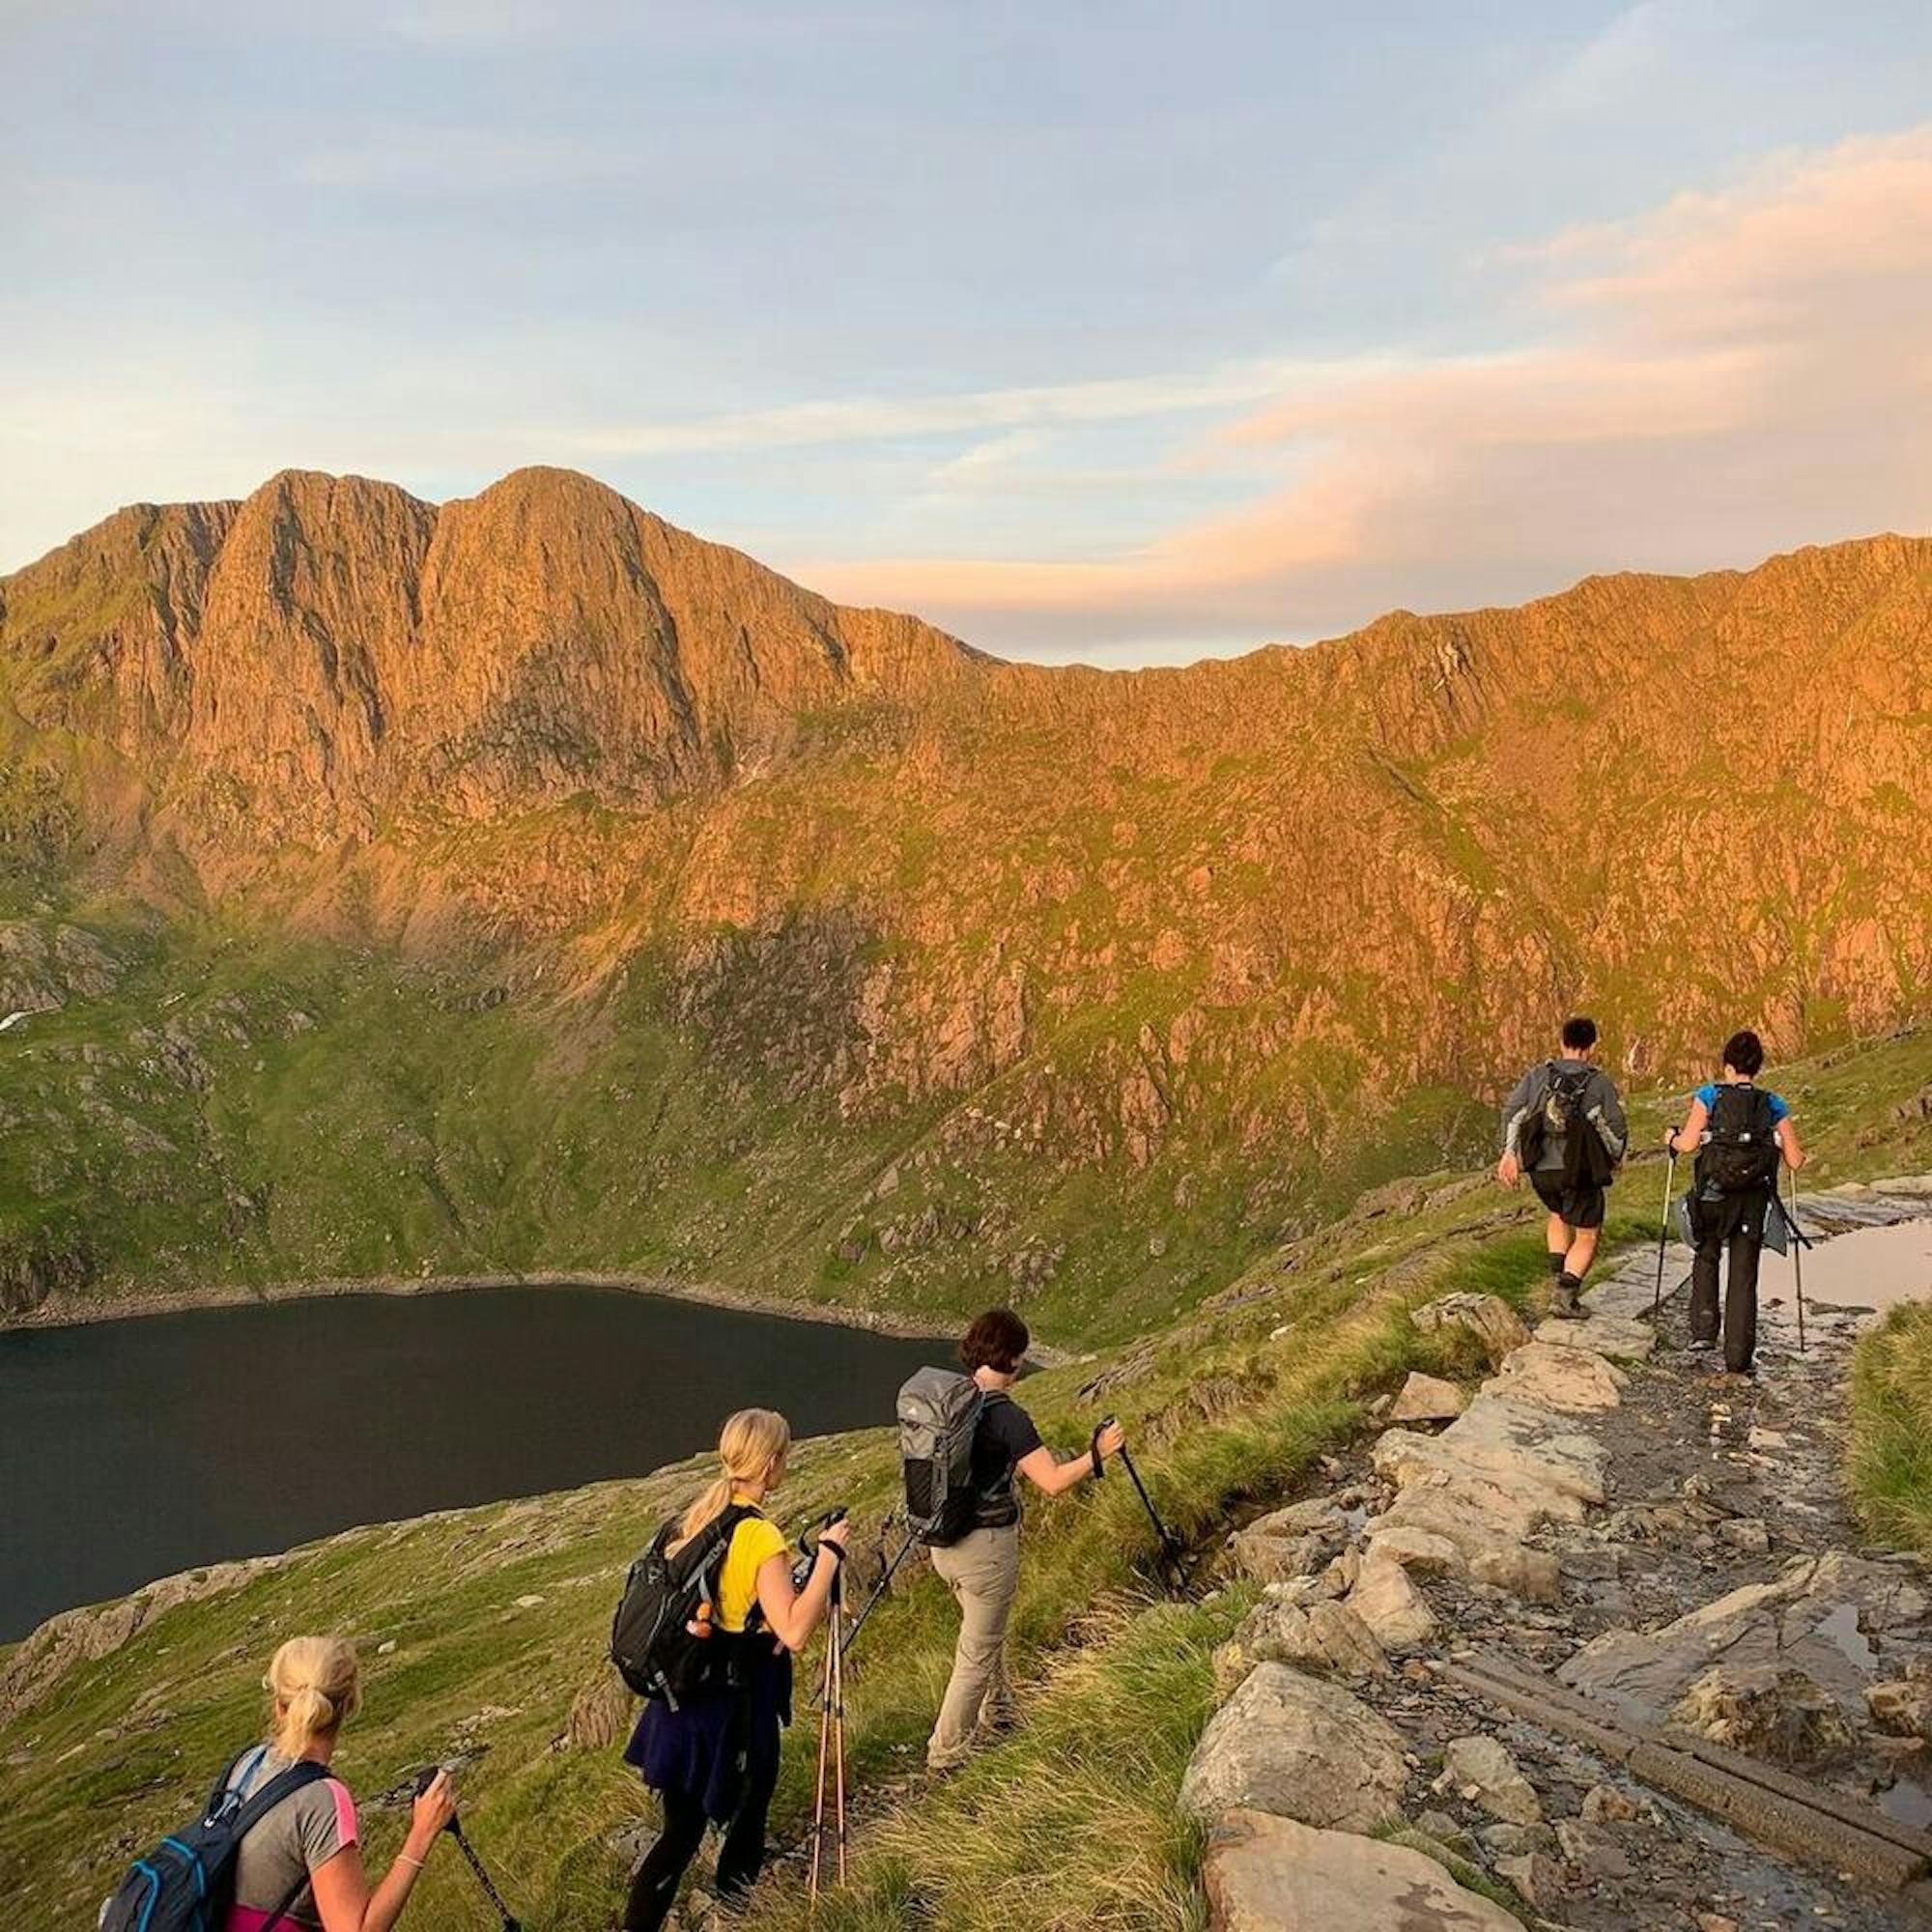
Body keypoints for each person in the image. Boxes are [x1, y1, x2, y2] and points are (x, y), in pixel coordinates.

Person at [621, 1408, 848, 1931]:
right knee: (751, 1800)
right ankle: (736, 1905)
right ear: (771, 1463)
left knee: (678, 1833)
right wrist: (831, 1556)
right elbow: (792, 1629)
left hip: (680, 1697)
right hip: (732, 1704)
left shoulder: (694, 1517)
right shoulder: (759, 1536)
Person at [925, 1309, 1124, 1774]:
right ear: (1012, 1360)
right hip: (986, 1553)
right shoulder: (1008, 1416)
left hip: (943, 1545)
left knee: (982, 1633)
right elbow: (1051, 1481)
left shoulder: (949, 1400)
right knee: (975, 1653)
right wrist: (1097, 1455)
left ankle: (1000, 1712)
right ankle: (946, 1754)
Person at [222, 1634, 455, 1931]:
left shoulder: (247, 1764)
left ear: (279, 1707)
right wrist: (422, 1834)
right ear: (349, 1703)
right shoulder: (322, 1799)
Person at [1667, 1028, 1804, 1377]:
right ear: (1757, 1067)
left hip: (1713, 1195)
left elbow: (1687, 1145)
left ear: (1727, 1066)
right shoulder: (1773, 1103)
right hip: (1752, 1201)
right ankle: (1738, 1358)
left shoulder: (1709, 1095)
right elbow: (1796, 1160)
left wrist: (1669, 1137)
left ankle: (1703, 1332)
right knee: (1744, 1275)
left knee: (1707, 1252)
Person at [1496, 1015, 1630, 1317]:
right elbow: (1615, 1126)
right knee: (1588, 1233)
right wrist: (1616, 1157)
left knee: (1558, 1214)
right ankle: (1565, 1297)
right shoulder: (1598, 1082)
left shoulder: (1538, 1076)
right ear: (1592, 1046)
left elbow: (1513, 1112)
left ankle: (1557, 1278)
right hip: (1579, 1171)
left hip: (1541, 1169)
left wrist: (1508, 1154)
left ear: (1562, 1042)